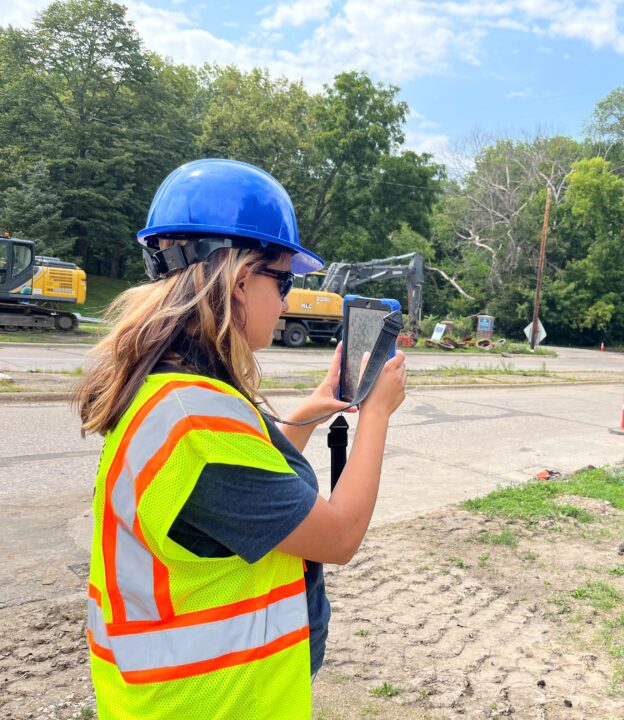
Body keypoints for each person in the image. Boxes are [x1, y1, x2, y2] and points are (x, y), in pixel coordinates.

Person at [73, 158, 406, 719]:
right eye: (285, 280)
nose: (287, 301)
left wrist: (314, 408)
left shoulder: (174, 392)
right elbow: (339, 536)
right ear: (240, 277)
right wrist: (376, 414)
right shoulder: (197, 423)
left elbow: (245, 486)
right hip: (214, 701)